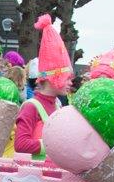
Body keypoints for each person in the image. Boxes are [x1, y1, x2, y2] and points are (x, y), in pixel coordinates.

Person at [14, 16, 71, 159]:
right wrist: (55, 147)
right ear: (54, 77)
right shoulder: (31, 106)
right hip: (34, 172)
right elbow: (20, 144)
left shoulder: (57, 104)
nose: (70, 83)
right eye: (67, 78)